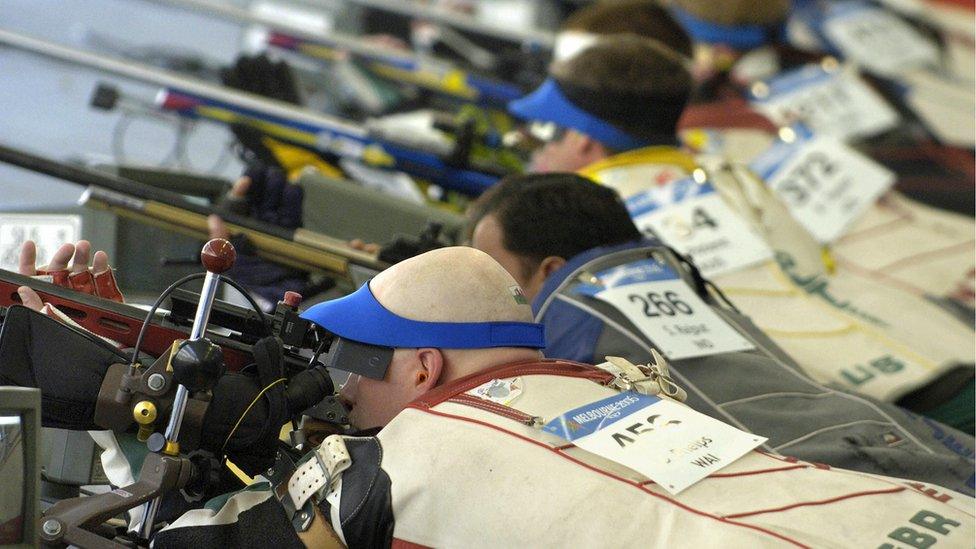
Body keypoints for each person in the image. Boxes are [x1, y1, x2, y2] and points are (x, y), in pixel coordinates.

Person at [507, 34, 975, 429]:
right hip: (937, 352)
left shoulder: (581, 223)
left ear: (581, 138)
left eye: (549, 132)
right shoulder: (732, 172)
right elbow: (815, 268)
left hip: (856, 412)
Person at [468, 172, 975, 495]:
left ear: (551, 270)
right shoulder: (665, 273)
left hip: (850, 477)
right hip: (906, 431)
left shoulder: (570, 327)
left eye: (499, 275)